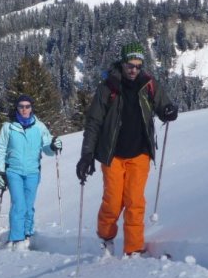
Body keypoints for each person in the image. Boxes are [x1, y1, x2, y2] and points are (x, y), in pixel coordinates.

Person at [76, 42, 178, 257]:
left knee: (135, 202)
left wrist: (169, 111)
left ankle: (134, 249)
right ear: (122, 63)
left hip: (140, 153)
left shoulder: (149, 85)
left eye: (138, 65)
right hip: (112, 155)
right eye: (130, 65)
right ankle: (105, 237)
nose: (134, 70)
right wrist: (87, 155)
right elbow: (93, 122)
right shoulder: (108, 88)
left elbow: (163, 106)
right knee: (113, 203)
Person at [0, 94, 63, 251]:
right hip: (14, 171)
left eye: (27, 106)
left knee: (28, 205)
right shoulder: (8, 127)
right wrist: (0, 172)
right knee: (18, 204)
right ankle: (16, 238)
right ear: (17, 108)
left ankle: (27, 234)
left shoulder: (39, 127)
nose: (24, 109)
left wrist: (53, 146)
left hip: (33, 172)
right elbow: (0, 150)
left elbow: (47, 147)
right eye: (21, 106)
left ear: (31, 108)